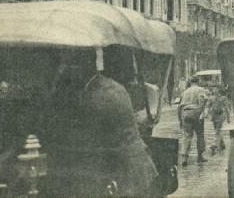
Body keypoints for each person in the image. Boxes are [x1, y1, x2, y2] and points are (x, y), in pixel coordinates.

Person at [44, 52, 159, 196]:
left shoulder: (100, 94)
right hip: (136, 167)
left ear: (83, 67)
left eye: (69, 66)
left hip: (126, 173)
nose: (65, 71)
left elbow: (84, 135)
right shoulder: (105, 85)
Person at [177, 75, 209, 167]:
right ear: (198, 81)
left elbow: (179, 107)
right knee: (200, 135)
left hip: (185, 113)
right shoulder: (201, 90)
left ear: (190, 82)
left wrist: (180, 120)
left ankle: (184, 158)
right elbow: (202, 102)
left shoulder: (185, 92)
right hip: (196, 113)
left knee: (187, 136)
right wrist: (201, 114)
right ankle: (200, 156)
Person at [209, 85, 229, 155]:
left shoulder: (222, 98)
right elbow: (208, 106)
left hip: (218, 115)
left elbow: (226, 108)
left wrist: (228, 117)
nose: (214, 91)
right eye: (214, 90)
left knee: (217, 130)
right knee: (217, 130)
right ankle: (222, 144)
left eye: (216, 90)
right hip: (215, 116)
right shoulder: (213, 98)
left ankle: (215, 145)